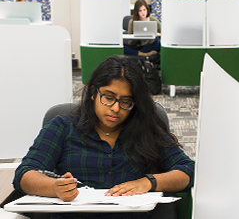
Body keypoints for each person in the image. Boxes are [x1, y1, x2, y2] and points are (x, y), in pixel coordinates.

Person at [13, 55, 194, 219]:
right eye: (108, 97)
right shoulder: (62, 127)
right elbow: (24, 174)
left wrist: (149, 182)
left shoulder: (146, 129)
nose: (115, 108)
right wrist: (55, 188)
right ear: (93, 93)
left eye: (126, 102)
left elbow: (188, 171)